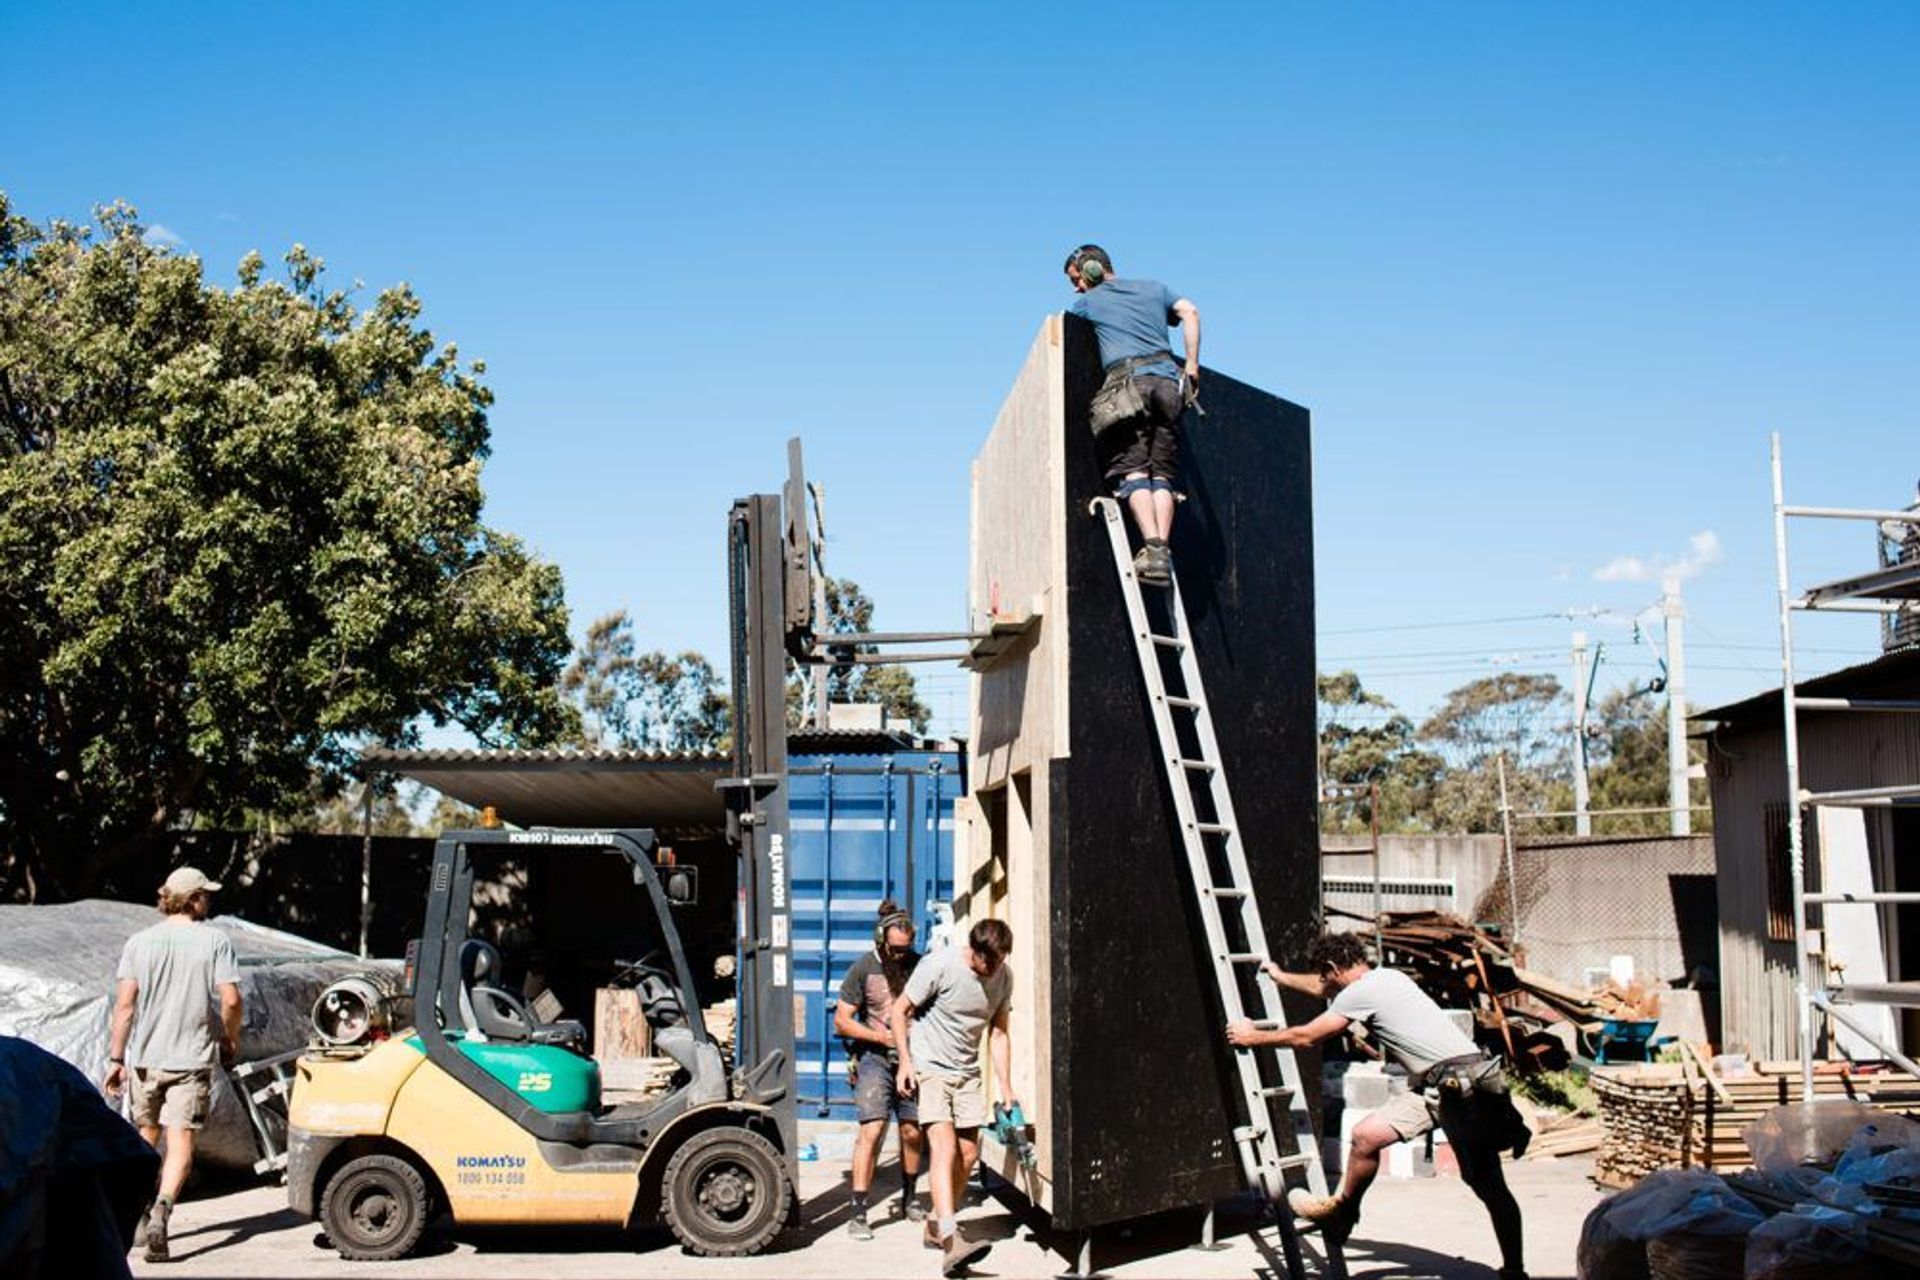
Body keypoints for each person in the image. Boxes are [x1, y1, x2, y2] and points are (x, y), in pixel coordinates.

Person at [1225, 931, 1530, 1280]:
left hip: (1463, 1089)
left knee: (1488, 1186)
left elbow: (1307, 1036)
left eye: (1326, 976)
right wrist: (1280, 976)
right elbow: (1324, 989)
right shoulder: (1385, 977)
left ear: (1331, 967)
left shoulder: (1361, 992)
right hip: (1433, 1088)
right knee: (1366, 1136)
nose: (1328, 987)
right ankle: (1344, 1212)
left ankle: (1514, 1271)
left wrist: (1254, 1036)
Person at [102, 866, 243, 1264]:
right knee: (180, 1143)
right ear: (193, 899)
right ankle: (163, 1209)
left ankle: (138, 1211)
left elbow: (125, 1006)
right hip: (191, 1058)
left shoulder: (140, 942)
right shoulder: (214, 941)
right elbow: (231, 999)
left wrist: (116, 1058)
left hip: (146, 1058)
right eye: (205, 894)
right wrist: (230, 1038)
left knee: (145, 1138)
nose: (209, 900)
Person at [1064, 244, 1202, 587]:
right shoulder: (1155, 288)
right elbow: (1191, 312)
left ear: (1093, 270)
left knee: (1135, 471)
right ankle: (1163, 549)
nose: (1077, 288)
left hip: (1129, 390)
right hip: (1170, 385)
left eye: (1077, 279)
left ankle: (1154, 551)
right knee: (1163, 475)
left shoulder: (1088, 302)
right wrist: (1192, 364)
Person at [891, 918, 1014, 1278]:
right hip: (931, 1068)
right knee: (943, 1150)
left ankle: (934, 1222)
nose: (992, 969)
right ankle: (950, 1238)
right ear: (973, 951)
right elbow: (900, 1011)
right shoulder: (940, 965)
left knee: (970, 1153)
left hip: (967, 1073)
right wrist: (905, 1063)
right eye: (987, 962)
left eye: (999, 961)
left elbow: (999, 1034)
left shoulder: (1004, 977)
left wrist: (1006, 1086)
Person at [833, 900, 927, 1239]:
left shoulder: (920, 966)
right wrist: (881, 1036)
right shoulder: (862, 969)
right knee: (871, 1131)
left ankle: (911, 1198)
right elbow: (842, 1021)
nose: (901, 955)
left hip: (912, 1060)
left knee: (912, 1131)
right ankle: (858, 1212)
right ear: (880, 941)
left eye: (906, 949)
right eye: (895, 949)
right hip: (874, 1058)